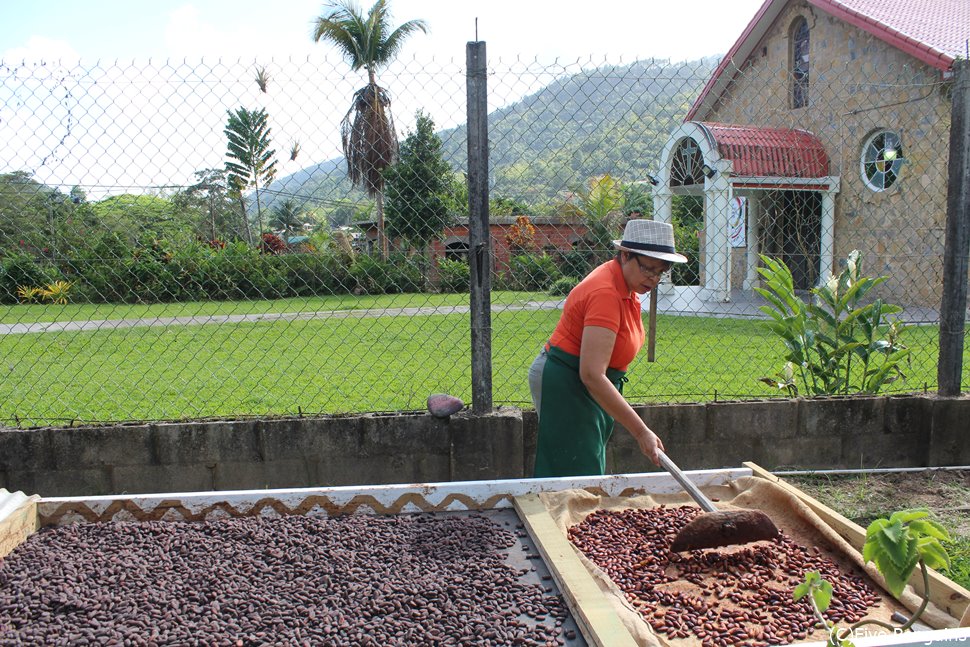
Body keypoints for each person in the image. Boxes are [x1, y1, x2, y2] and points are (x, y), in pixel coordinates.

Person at [528, 219, 687, 477]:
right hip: (568, 383)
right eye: (649, 269)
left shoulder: (625, 284)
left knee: (586, 466)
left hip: (589, 384)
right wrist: (641, 431)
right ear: (625, 255)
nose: (654, 278)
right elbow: (591, 374)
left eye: (661, 271)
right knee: (576, 472)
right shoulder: (606, 292)